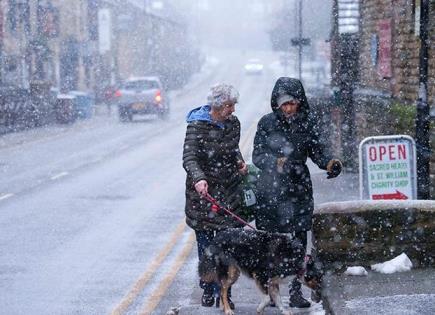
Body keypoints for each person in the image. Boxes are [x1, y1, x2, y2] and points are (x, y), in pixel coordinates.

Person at [252, 77, 342, 308]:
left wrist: (329, 162)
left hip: (298, 188)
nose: (289, 108)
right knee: (272, 244)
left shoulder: (308, 122)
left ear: (299, 102)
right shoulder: (266, 123)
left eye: (292, 103)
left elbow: (317, 150)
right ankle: (272, 292)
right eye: (284, 104)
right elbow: (258, 156)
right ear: (277, 104)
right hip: (271, 190)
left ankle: (295, 292)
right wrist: (276, 162)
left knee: (299, 242)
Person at [182, 83, 248, 308]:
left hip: (229, 192)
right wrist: (200, 178)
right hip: (204, 197)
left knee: (228, 247)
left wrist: (238, 160)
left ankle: (225, 291)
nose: (233, 110)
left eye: (233, 105)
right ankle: (208, 288)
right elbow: (189, 158)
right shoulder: (197, 126)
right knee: (207, 248)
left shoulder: (233, 124)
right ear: (217, 105)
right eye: (229, 105)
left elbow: (233, 148)